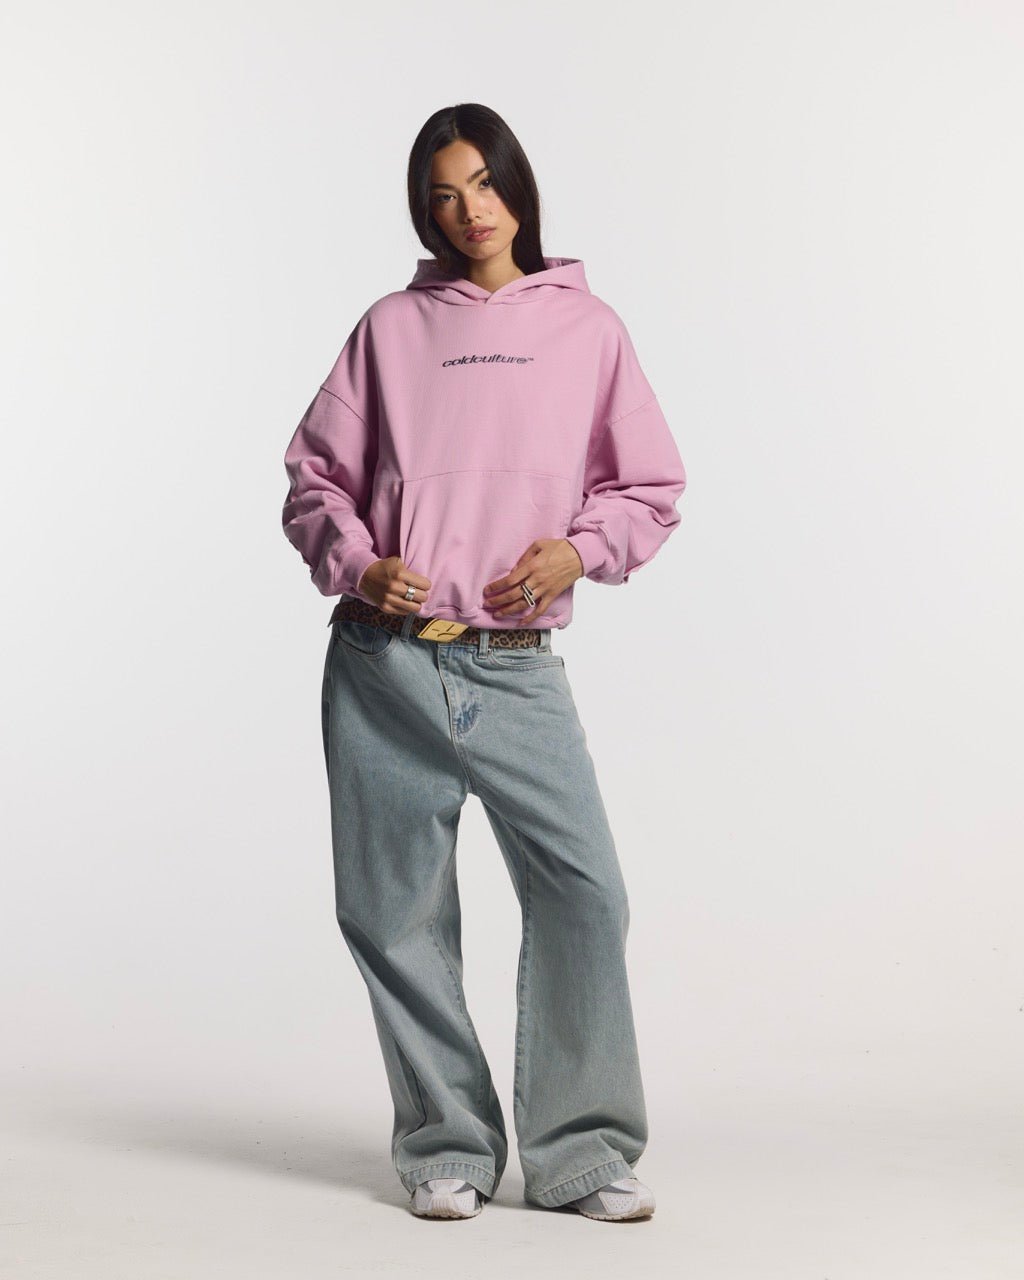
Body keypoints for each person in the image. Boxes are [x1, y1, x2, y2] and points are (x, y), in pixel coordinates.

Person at [281, 103, 687, 1222]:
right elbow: (314, 480)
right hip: (384, 664)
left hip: (515, 665)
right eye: (445, 194)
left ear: (519, 186)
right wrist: (360, 565)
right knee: (393, 912)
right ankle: (445, 1144)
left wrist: (577, 550)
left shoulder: (587, 328)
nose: (471, 211)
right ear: (426, 210)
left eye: (486, 184)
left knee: (585, 893)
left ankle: (582, 1150)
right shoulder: (389, 328)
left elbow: (649, 486)